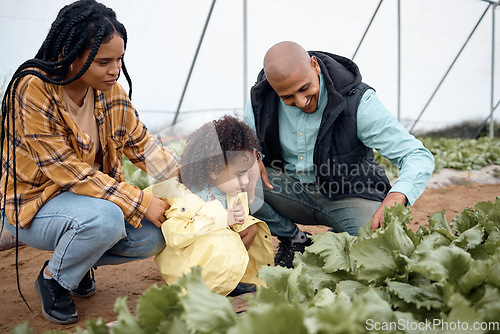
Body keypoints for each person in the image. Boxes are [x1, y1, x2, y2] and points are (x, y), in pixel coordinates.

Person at [0, 0, 178, 325]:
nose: (115, 70)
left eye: (120, 59)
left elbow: (147, 149)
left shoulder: (111, 93)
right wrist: (138, 200)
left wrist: (195, 180)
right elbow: (67, 170)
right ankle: (54, 279)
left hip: (90, 204)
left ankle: (77, 264)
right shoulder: (33, 90)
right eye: (103, 61)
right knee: (107, 218)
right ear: (70, 53)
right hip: (35, 207)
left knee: (153, 236)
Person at [245, 41, 435, 268]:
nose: (300, 102)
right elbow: (245, 144)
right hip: (291, 192)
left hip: (348, 195)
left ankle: (340, 233)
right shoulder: (262, 99)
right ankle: (294, 239)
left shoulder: (358, 102)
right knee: (232, 179)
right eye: (287, 97)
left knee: (373, 254)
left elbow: (416, 154)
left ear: (314, 66)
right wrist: (251, 155)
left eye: (304, 88)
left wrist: (396, 196)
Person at [146, 115, 274, 296]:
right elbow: (176, 237)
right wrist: (223, 218)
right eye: (240, 175)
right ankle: (207, 286)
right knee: (224, 239)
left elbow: (233, 221)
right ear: (214, 169)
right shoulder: (186, 196)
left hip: (211, 249)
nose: (245, 181)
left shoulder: (228, 188)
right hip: (187, 262)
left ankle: (230, 278)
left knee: (250, 229)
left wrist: (237, 216)